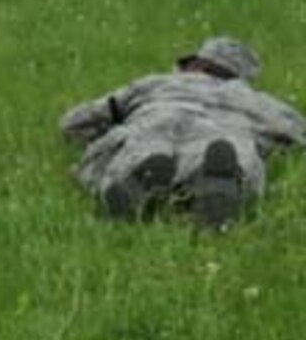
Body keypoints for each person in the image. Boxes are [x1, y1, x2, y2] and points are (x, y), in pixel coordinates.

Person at [61, 37, 306, 228]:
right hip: (221, 131)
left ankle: (130, 179)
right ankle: (210, 184)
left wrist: (102, 126)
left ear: (194, 63)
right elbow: (296, 132)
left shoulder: (155, 82)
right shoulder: (253, 99)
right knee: (236, 159)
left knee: (122, 151)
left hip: (154, 123)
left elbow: (76, 122)